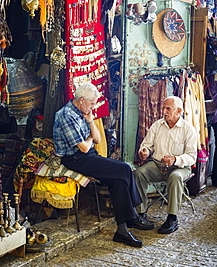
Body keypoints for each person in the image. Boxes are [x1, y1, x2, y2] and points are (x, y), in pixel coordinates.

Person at [53, 82, 154, 248]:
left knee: (119, 181)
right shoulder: (66, 115)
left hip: (87, 155)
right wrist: (90, 138)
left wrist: (91, 122)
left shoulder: (83, 112)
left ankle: (122, 230)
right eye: (92, 103)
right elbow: (84, 148)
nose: (93, 106)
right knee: (125, 168)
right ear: (82, 100)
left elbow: (98, 139)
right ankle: (134, 216)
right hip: (75, 159)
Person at [134, 96, 197, 234]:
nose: (164, 111)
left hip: (180, 167)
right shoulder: (157, 125)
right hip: (157, 165)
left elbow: (192, 157)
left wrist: (175, 159)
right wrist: (144, 151)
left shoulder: (188, 129)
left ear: (179, 111)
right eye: (163, 108)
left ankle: (172, 218)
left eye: (168, 108)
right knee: (139, 173)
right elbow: (147, 145)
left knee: (175, 177)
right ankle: (140, 214)